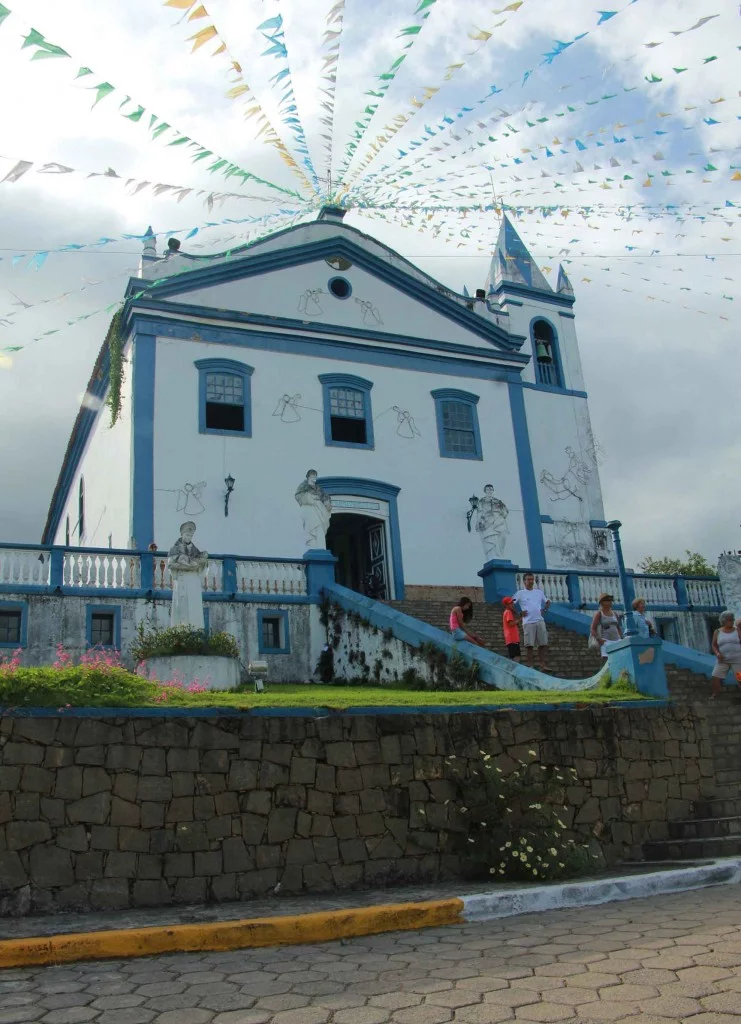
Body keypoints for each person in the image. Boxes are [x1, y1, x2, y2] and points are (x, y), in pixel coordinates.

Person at [513, 573, 551, 670]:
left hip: (540, 621)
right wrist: (519, 613)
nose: (531, 581)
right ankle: (530, 665)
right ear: (524, 581)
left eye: (532, 579)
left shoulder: (539, 592)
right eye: (528, 579)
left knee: (542, 644)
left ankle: (542, 665)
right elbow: (510, 603)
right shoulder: (520, 593)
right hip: (528, 622)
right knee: (529, 645)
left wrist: (545, 609)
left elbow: (547, 602)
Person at [294, 469, 332, 549]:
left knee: (320, 528)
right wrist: (310, 497)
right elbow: (298, 495)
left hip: (319, 509)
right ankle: (313, 545)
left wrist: (327, 502)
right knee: (312, 527)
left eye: (315, 476)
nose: (314, 477)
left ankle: (320, 546)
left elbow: (324, 496)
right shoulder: (303, 486)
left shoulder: (318, 488)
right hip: (310, 509)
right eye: (313, 476)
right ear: (308, 477)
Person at [710, 610, 741, 697]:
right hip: (723, 660)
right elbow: (713, 645)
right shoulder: (717, 632)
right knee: (715, 676)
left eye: (732, 619)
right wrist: (717, 654)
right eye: (729, 620)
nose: (731, 622)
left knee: (740, 678)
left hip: (737, 659)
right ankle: (715, 694)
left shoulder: (737, 630)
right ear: (724, 621)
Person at [590, 593, 623, 657]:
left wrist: (621, 637)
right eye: (608, 600)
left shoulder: (615, 614)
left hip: (617, 641)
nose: (610, 602)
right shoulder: (599, 614)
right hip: (606, 641)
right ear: (602, 602)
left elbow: (618, 627)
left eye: (610, 600)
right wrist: (599, 639)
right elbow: (592, 629)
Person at [501, 596, 521, 662]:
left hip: (510, 638)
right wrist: (520, 619)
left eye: (512, 602)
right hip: (512, 638)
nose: (512, 604)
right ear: (506, 605)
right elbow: (510, 624)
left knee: (513, 657)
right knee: (517, 657)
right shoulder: (508, 612)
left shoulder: (506, 612)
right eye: (510, 603)